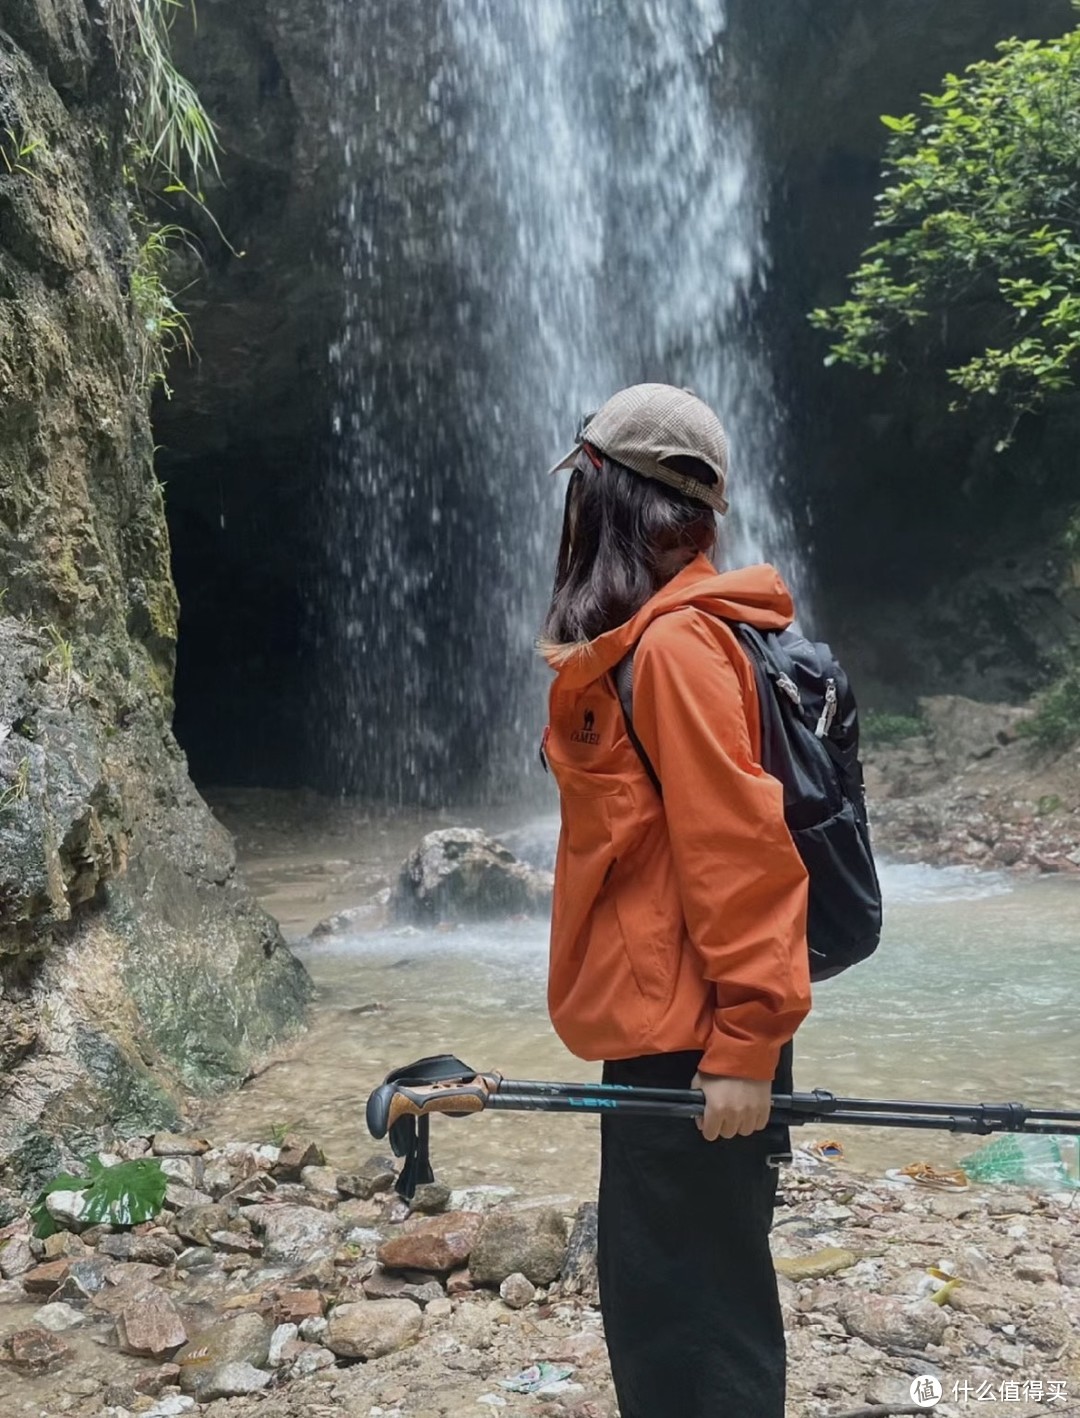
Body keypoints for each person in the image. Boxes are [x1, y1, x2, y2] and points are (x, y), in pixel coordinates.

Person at [540, 383, 812, 1418]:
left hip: (696, 1046)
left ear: (613, 499)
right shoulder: (660, 639)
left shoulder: (675, 650)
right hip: (677, 1028)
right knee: (671, 1309)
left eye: (583, 486)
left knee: (693, 1327)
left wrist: (745, 1049)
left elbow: (744, 855)